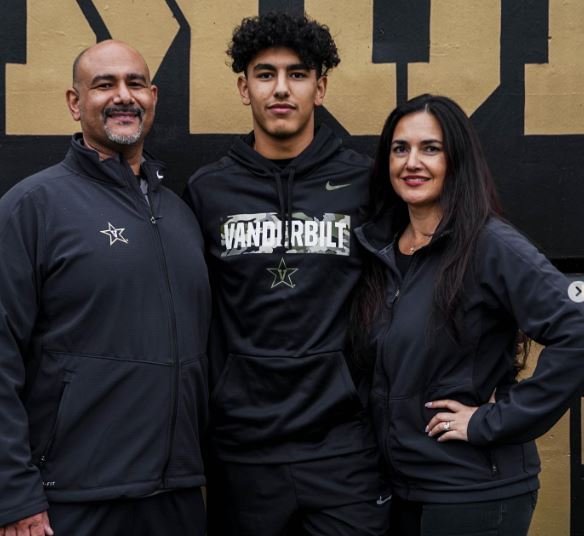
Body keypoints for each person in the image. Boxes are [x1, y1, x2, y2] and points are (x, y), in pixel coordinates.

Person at [184, 12, 391, 536]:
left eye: (297, 74)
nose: (281, 89)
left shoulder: (364, 183)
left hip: (345, 445)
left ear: (320, 88)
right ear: (242, 87)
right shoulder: (209, 190)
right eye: (265, 73)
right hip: (243, 452)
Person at [0, 40, 210, 536]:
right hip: (70, 501)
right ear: (75, 103)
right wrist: (13, 497)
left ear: (153, 97)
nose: (122, 96)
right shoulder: (32, 207)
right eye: (104, 85)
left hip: (175, 498)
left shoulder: (181, 215)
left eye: (135, 84)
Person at [349, 93, 584, 535]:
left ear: (456, 159)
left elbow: (579, 331)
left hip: (473, 494)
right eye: (400, 148)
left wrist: (493, 420)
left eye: (430, 148)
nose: (412, 162)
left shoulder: (489, 245)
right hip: (401, 492)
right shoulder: (381, 251)